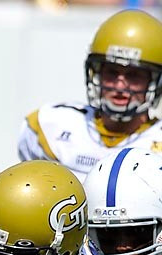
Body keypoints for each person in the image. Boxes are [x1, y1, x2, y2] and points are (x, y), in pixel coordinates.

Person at [18, 9, 162, 181]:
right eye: (112, 72)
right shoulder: (51, 125)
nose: (120, 85)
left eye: (134, 75)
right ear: (96, 73)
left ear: (155, 82)